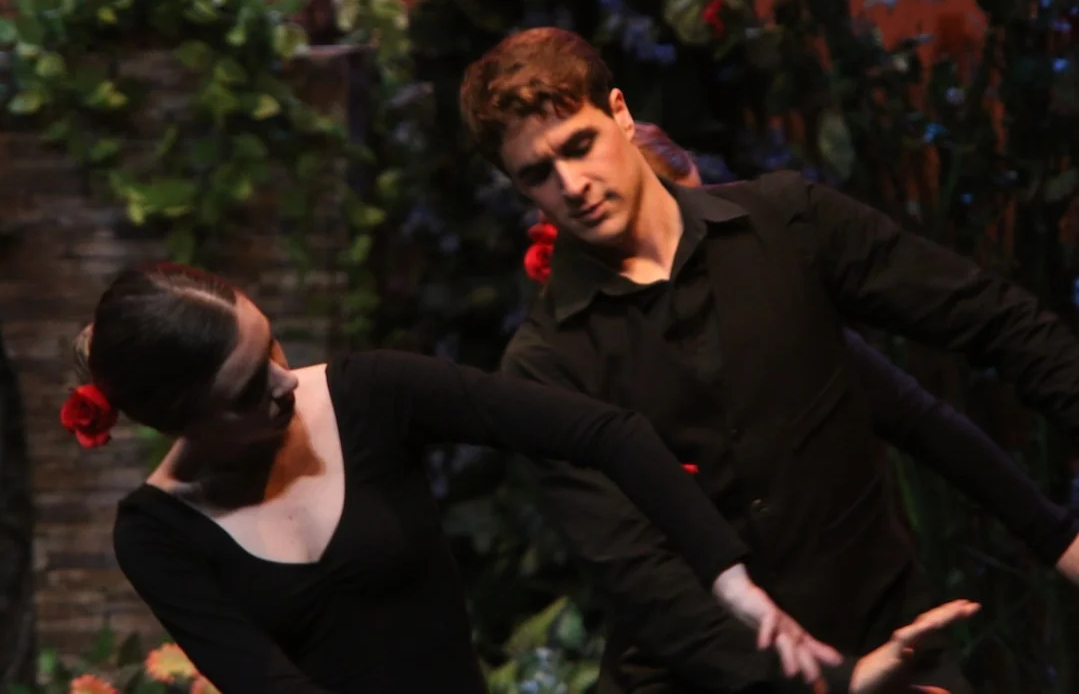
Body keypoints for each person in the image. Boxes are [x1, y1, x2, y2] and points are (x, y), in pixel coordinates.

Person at [457, 27, 1079, 693]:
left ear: (619, 113)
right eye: (537, 174)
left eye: (579, 145)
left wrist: (1057, 538)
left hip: (885, 638)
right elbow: (640, 578)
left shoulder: (785, 224)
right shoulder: (545, 364)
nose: (571, 183)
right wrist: (834, 683)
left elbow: (989, 325)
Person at [61, 263, 969, 693]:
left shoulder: (370, 394)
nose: (283, 384)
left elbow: (603, 432)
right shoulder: (158, 532)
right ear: (178, 421)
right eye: (246, 391)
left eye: (272, 347)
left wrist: (732, 583)